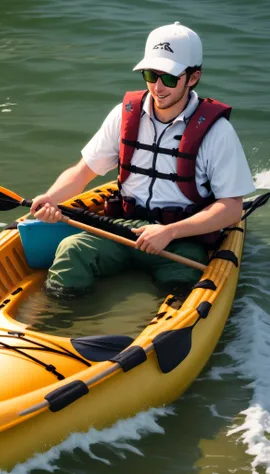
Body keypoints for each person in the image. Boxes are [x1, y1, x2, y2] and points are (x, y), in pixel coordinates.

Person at [31, 22, 255, 297]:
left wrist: (170, 232)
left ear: (193, 77)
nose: (158, 87)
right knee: (72, 251)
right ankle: (60, 321)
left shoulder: (217, 132)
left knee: (181, 282)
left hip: (181, 239)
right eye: (150, 74)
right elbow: (82, 172)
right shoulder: (125, 115)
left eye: (169, 78)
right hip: (123, 228)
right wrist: (50, 199)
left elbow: (232, 208)